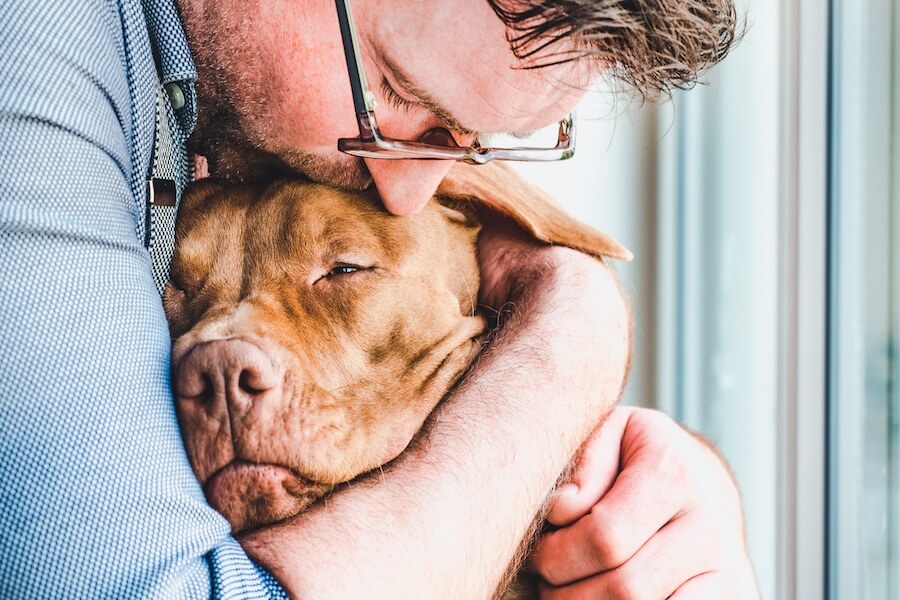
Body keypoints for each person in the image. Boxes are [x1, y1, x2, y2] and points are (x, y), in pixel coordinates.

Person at [0, 0, 757, 598]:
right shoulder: (35, 54)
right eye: (394, 92)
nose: (407, 187)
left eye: (466, 138)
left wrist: (651, 516)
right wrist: (573, 339)